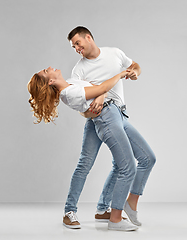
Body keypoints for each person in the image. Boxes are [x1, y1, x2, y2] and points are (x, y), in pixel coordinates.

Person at [62, 26, 156, 231]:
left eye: (78, 43)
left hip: (119, 112)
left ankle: (105, 208)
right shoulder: (79, 70)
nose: (76, 48)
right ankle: (70, 210)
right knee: (86, 165)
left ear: (88, 37)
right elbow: (81, 107)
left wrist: (134, 72)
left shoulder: (114, 53)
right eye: (73, 47)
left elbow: (135, 66)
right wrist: (97, 103)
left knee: (142, 159)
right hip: (99, 117)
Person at [27, 67, 139, 231]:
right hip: (101, 119)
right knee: (90, 165)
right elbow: (101, 88)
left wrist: (100, 94)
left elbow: (101, 88)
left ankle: (101, 209)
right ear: (50, 81)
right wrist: (121, 75)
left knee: (99, 164)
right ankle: (70, 211)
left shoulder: (72, 83)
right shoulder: (69, 93)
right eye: (45, 71)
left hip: (96, 120)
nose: (48, 68)